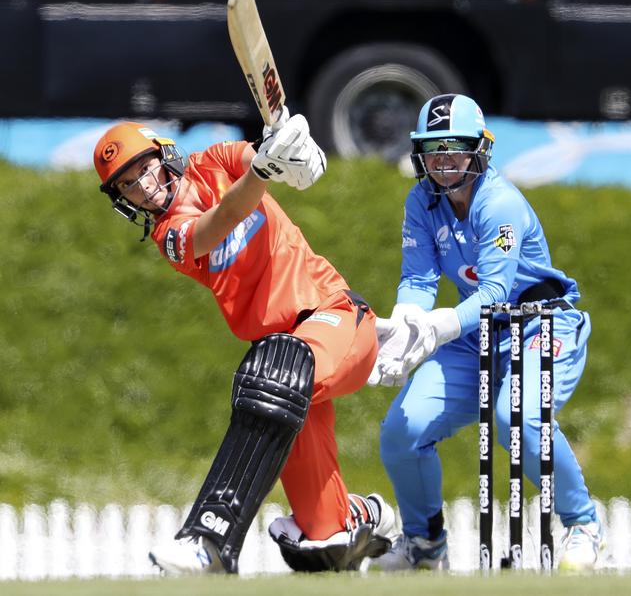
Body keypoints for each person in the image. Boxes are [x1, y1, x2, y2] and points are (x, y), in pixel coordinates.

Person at [92, 109, 397, 575]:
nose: (143, 185)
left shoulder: (217, 160)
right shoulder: (168, 236)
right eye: (128, 184)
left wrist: (300, 157)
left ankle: (209, 540)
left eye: (144, 168)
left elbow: (268, 163)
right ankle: (360, 515)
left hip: (335, 318)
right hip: (289, 372)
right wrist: (263, 170)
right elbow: (223, 219)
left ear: (164, 156)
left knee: (268, 370)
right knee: (324, 544)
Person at [367, 94, 603, 572]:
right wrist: (408, 326)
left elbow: (495, 291)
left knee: (517, 420)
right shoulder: (421, 200)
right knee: (402, 430)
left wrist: (438, 326)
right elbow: (418, 279)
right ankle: (425, 545)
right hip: (477, 333)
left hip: (541, 320)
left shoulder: (500, 203)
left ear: (480, 149)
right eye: (433, 147)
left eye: (455, 146)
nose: (444, 158)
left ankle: (582, 523)